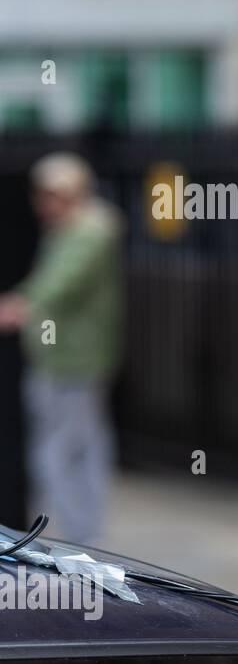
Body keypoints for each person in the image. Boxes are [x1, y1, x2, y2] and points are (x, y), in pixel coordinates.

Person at [0, 153, 123, 546]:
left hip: (71, 361)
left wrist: (20, 307)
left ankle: (71, 538)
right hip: (67, 359)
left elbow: (57, 285)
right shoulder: (72, 230)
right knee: (80, 448)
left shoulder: (88, 232)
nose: (46, 203)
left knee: (61, 454)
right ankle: (77, 536)